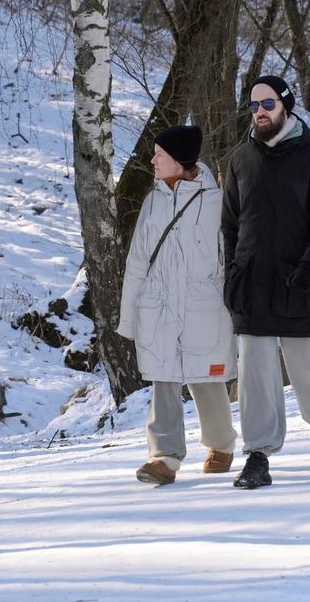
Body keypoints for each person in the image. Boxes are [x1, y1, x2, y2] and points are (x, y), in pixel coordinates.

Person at [221, 74, 310, 489]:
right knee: (254, 373)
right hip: (252, 285)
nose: (259, 112)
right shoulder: (240, 159)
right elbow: (230, 225)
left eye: (268, 104)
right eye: (254, 105)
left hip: (301, 282)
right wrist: (232, 272)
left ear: (285, 107)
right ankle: (258, 455)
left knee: (307, 368)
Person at [118, 124, 238, 485]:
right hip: (158, 305)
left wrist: (239, 308)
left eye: (160, 154)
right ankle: (164, 457)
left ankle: (221, 444)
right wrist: (130, 317)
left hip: (206, 305)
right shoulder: (152, 201)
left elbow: (234, 260)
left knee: (208, 378)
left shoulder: (218, 202)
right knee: (163, 377)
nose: (152, 160)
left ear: (180, 160)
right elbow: (137, 262)